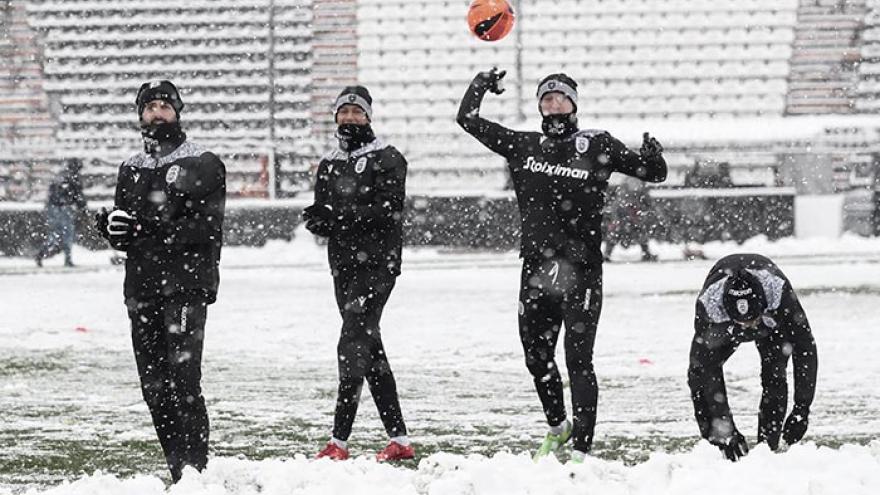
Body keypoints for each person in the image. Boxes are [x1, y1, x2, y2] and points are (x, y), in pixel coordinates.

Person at [457, 68, 667, 462]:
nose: (552, 104)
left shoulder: (596, 144)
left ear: (573, 104)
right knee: (535, 355)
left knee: (578, 358)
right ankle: (558, 428)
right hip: (537, 268)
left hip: (582, 269)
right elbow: (467, 120)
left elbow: (653, 173)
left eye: (560, 98)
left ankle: (583, 450)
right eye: (546, 99)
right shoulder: (525, 145)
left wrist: (655, 158)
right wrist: (481, 85)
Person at [94, 80, 226, 482]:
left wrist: (146, 227)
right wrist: (111, 229)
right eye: (149, 106)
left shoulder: (203, 163)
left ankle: (195, 472)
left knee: (184, 380)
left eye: (164, 105)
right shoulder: (130, 168)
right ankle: (179, 472)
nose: (157, 112)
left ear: (178, 111)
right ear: (139, 115)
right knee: (154, 385)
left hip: (186, 284)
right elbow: (128, 230)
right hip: (142, 287)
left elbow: (205, 227)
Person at [303, 85, 413, 462]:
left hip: (378, 264)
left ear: (369, 116)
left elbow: (389, 210)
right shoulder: (329, 164)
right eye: (344, 111)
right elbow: (328, 214)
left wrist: (339, 217)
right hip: (344, 265)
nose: (350, 117)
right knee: (369, 349)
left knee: (351, 344)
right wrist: (319, 221)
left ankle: (339, 441)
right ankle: (399, 438)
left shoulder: (388, 157)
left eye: (357, 111)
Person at [688, 253, 817, 461]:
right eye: (743, 323)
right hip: (726, 327)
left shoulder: (779, 294)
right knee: (699, 374)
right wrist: (722, 430)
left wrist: (802, 409)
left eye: (752, 321)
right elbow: (703, 372)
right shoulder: (709, 306)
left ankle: (768, 448)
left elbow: (805, 349)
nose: (749, 327)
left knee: (775, 376)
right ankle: (722, 448)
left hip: (771, 322)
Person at [36, 158, 87, 267]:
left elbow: (52, 192)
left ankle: (41, 254)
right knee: (67, 234)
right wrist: (82, 207)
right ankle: (67, 259)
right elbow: (78, 195)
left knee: (55, 234)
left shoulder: (60, 176)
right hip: (64, 208)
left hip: (52, 207)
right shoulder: (73, 178)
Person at [603, 176, 658, 262]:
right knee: (613, 234)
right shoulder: (620, 201)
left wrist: (638, 221)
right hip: (622, 224)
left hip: (635, 225)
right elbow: (615, 213)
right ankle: (607, 254)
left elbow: (647, 211)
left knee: (642, 233)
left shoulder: (641, 199)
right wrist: (620, 223)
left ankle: (646, 253)